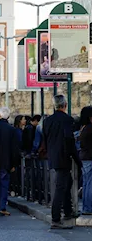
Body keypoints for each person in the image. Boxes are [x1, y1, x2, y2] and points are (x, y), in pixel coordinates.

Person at [42, 95, 82, 229]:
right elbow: (69, 141)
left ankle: (68, 211)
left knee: (67, 182)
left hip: (54, 156)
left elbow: (45, 140)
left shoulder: (48, 121)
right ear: (65, 104)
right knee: (61, 187)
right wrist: (77, 159)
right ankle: (56, 218)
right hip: (64, 157)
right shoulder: (68, 120)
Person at [79, 106, 96, 215]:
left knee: (86, 183)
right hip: (91, 157)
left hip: (85, 158)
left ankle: (86, 207)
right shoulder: (92, 129)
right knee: (90, 183)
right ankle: (88, 207)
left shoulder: (84, 128)